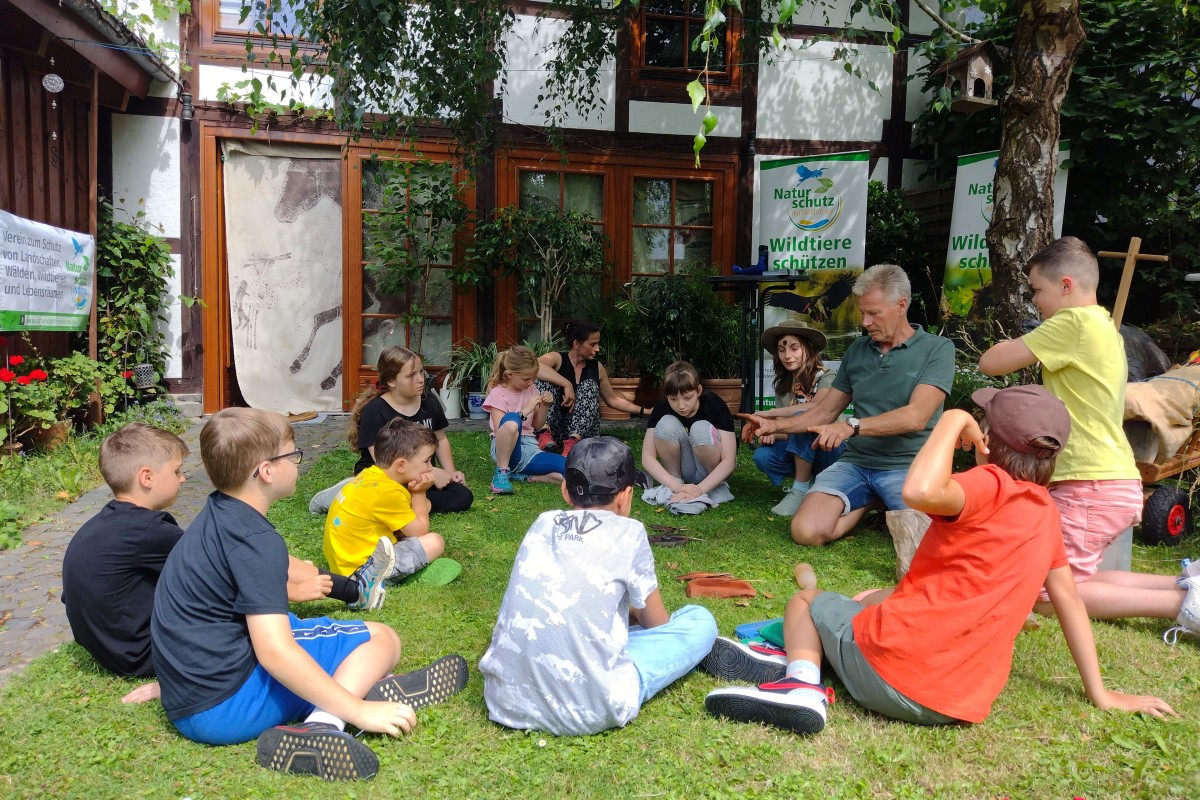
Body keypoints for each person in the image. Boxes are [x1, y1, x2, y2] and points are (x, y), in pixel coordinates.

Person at [703, 386, 1178, 734]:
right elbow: (1070, 602)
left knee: (806, 602)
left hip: (896, 679)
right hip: (958, 703)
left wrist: (951, 420)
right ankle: (806, 655)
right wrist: (1102, 692)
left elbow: (918, 490)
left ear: (988, 440)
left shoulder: (988, 483)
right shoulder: (1045, 514)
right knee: (872, 597)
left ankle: (801, 683)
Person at [151, 408, 468, 781]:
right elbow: (274, 651)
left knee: (296, 622)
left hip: (190, 700)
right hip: (228, 707)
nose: (298, 462)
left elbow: (280, 570)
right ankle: (324, 723)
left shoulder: (218, 514)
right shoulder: (256, 541)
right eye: (293, 454)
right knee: (384, 639)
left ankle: (356, 686)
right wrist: (357, 711)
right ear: (266, 470)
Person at [62, 423, 382, 707]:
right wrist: (295, 591)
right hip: (152, 653)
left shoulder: (107, 524)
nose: (184, 478)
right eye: (176, 471)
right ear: (146, 478)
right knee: (268, 601)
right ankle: (353, 588)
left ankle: (352, 588)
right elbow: (237, 572)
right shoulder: (149, 531)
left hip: (111, 648)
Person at [979, 236, 1200, 641]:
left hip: (1090, 483)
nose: (1035, 302)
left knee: (1047, 595)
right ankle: (1187, 585)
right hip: (1106, 478)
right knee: (1074, 576)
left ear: (1066, 285)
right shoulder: (1103, 326)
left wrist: (1006, 344)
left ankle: (1182, 605)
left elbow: (991, 363)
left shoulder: (1071, 323)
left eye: (1037, 291)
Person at [479, 436, 718, 735]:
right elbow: (657, 624)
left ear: (566, 491)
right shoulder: (630, 532)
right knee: (698, 620)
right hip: (592, 708)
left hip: (505, 702)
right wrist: (636, 614)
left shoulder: (542, 522)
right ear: (625, 496)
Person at [739, 264, 954, 545]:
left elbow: (916, 416)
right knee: (805, 532)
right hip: (856, 463)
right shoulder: (857, 351)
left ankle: (875, 497)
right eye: (862, 313)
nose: (865, 322)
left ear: (901, 306)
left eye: (873, 313)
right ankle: (867, 502)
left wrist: (852, 426)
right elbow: (823, 411)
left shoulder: (937, 350)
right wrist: (774, 425)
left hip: (908, 465)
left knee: (926, 542)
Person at [309, 345, 472, 515]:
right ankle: (348, 492)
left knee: (463, 496)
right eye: (411, 375)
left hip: (421, 476)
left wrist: (449, 473)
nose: (420, 379)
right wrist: (432, 472)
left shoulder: (429, 401)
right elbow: (384, 462)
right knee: (390, 495)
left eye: (421, 371)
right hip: (385, 478)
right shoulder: (375, 411)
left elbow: (440, 439)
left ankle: (401, 502)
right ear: (391, 381)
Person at [324, 418, 446, 590]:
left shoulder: (370, 476)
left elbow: (420, 511)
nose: (430, 468)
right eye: (426, 461)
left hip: (344, 564)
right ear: (401, 465)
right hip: (361, 572)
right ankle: (380, 581)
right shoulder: (388, 492)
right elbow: (420, 532)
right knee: (435, 541)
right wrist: (419, 493)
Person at [750, 320, 845, 518]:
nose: (787, 355)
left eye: (794, 348)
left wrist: (768, 417)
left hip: (833, 447)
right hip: (803, 449)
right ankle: (810, 482)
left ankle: (800, 489)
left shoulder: (828, 376)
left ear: (808, 348)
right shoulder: (783, 384)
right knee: (763, 456)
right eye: (782, 350)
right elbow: (785, 429)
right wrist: (772, 433)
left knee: (805, 419)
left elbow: (816, 410)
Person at [535, 319, 651, 456]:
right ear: (577, 344)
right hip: (555, 429)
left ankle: (573, 443)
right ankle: (544, 434)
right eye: (592, 344)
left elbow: (612, 400)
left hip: (582, 435)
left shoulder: (597, 367)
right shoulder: (557, 359)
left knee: (588, 386)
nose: (597, 349)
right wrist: (566, 384)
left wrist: (646, 411)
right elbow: (534, 367)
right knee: (544, 381)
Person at [640, 360, 737, 515]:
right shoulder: (662, 408)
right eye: (673, 399)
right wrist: (677, 487)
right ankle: (676, 481)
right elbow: (647, 457)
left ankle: (715, 487)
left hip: (710, 471)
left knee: (700, 428)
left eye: (687, 397)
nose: (681, 405)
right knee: (665, 424)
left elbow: (729, 461)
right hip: (681, 473)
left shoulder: (713, 403)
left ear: (698, 390)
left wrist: (699, 490)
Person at [484, 344, 566, 494]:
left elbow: (537, 425)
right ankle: (501, 474)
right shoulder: (497, 394)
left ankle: (527, 477)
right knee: (510, 419)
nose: (531, 383)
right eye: (526, 379)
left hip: (530, 449)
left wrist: (545, 406)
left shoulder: (531, 390)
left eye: (533, 378)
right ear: (509, 375)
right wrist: (525, 410)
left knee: (568, 469)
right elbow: (500, 429)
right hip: (506, 452)